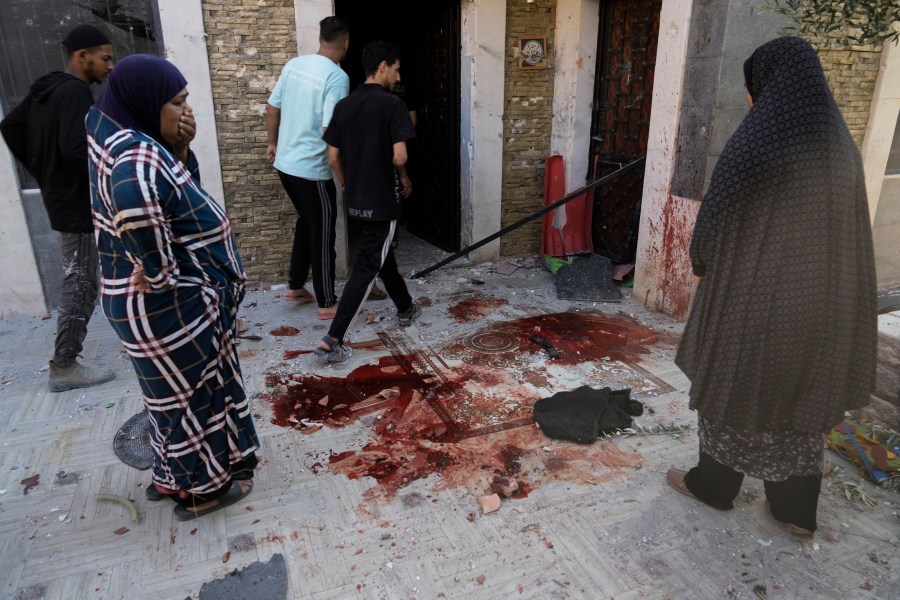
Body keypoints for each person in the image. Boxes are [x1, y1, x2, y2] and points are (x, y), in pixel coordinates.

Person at [667, 37, 877, 536]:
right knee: (803, 402)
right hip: (824, 304)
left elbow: (717, 215)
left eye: (750, 87)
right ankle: (795, 512)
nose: (747, 99)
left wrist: (701, 263)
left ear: (767, 83)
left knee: (733, 386)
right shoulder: (840, 145)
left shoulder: (758, 139)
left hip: (754, 299)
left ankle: (714, 487)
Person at [87, 55, 259, 520]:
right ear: (146, 102)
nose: (186, 111)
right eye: (177, 101)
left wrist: (181, 149)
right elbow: (134, 198)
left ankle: (172, 477)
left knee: (180, 397)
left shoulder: (133, 139)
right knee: (192, 404)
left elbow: (181, 194)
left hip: (168, 303)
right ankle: (203, 493)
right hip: (167, 304)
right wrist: (157, 267)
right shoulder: (135, 154)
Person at [0, 24, 116, 392]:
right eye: (106, 57)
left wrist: (43, 173)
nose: (110, 66)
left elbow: (10, 126)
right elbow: (75, 149)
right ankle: (64, 366)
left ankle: (67, 361)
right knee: (81, 282)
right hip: (78, 204)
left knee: (80, 279)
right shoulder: (75, 93)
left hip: (63, 197)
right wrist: (108, 174)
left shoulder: (47, 90)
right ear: (83, 57)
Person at [315, 40, 419, 362]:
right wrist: (403, 176)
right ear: (384, 66)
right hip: (382, 199)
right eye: (397, 70)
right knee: (367, 265)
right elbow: (399, 154)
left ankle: (405, 306)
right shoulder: (392, 105)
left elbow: (333, 157)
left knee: (379, 254)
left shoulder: (344, 107)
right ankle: (333, 338)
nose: (398, 78)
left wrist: (347, 183)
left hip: (356, 198)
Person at [266, 16, 350, 319]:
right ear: (346, 42)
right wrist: (341, 175)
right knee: (323, 232)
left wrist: (272, 143)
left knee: (307, 220)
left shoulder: (294, 65)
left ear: (320, 39)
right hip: (312, 170)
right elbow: (332, 131)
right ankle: (327, 303)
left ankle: (295, 286)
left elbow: (273, 107)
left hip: (285, 165)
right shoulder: (337, 77)